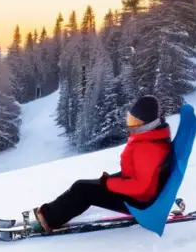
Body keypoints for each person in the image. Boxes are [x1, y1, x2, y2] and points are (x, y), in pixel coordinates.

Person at [32, 95, 174, 232]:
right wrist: (109, 181)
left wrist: (109, 183)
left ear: (148, 123)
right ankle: (50, 213)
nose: (131, 125)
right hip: (137, 193)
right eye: (130, 119)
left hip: (138, 201)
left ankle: (48, 219)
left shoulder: (150, 148)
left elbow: (141, 187)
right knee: (85, 186)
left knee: (82, 190)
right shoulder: (150, 138)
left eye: (135, 122)